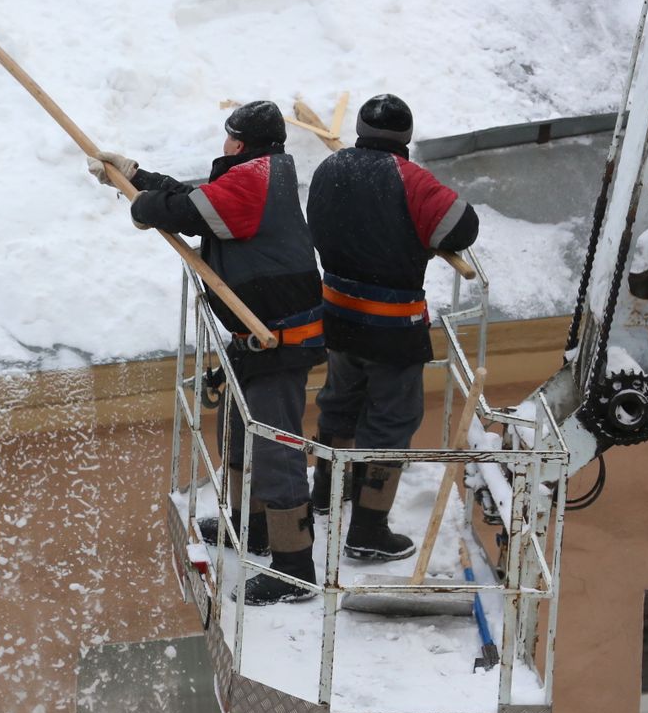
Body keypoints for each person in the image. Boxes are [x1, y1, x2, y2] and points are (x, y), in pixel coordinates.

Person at [87, 101, 325, 605]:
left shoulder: (255, 179)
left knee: (276, 448)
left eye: (229, 137)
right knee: (241, 431)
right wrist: (133, 176)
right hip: (257, 335)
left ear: (238, 143)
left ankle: (294, 567)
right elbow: (201, 198)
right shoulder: (262, 172)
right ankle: (252, 525)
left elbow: (187, 210)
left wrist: (143, 204)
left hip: (277, 337)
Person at [305, 93, 478, 561]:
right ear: (406, 138)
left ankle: (326, 491)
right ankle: (367, 529)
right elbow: (461, 227)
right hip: (392, 327)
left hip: (336, 313)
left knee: (340, 400)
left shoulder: (330, 168)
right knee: (391, 421)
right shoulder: (411, 180)